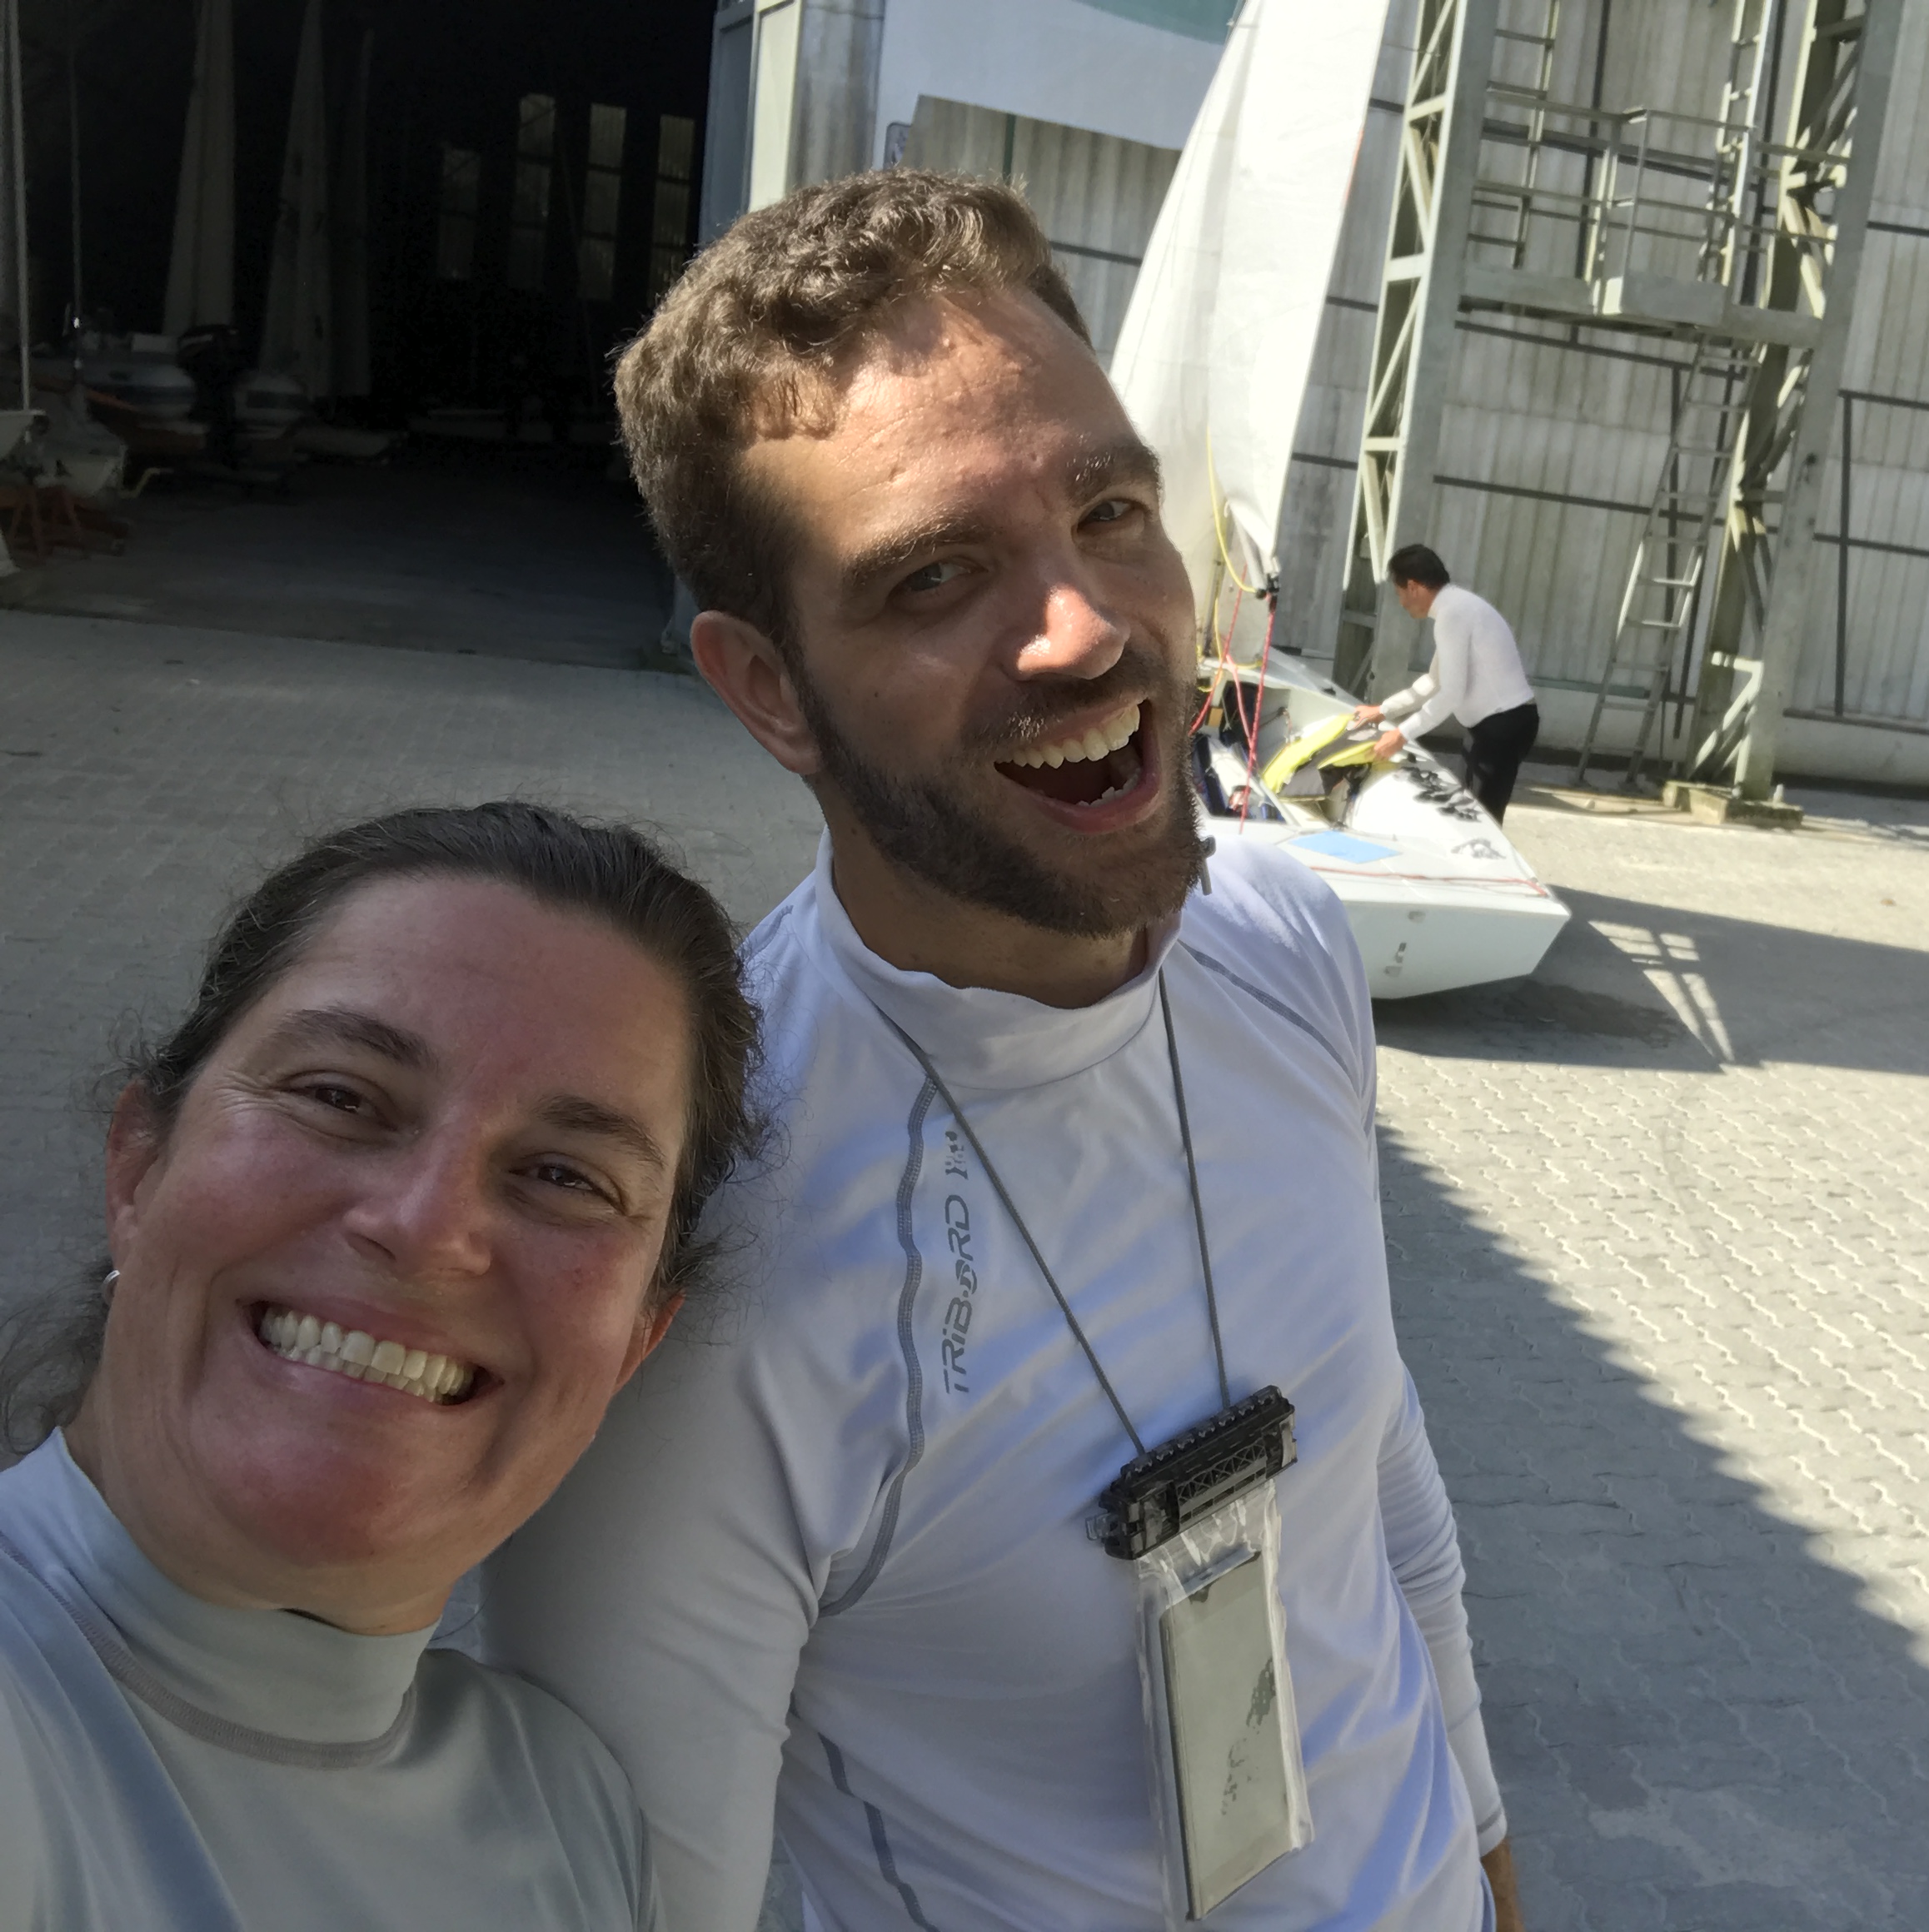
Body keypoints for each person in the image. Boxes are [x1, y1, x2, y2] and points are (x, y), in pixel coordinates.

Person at [478, 172, 1525, 1931]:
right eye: (935, 577)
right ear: (768, 688)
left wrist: (1486, 1854)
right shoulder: (705, 1257)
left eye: (1108, 509)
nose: (1088, 626)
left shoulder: (1281, 942)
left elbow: (1374, 1477)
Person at [0, 804, 763, 1930]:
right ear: (138, 1170)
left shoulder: (574, 1815)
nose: (427, 1227)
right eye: (340, 1097)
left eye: (566, 1176)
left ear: (635, 1342)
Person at [1352, 545, 1541, 821]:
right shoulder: (1457, 606)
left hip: (1502, 727)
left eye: (1399, 593)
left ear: (1413, 587)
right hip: (1500, 725)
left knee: (1479, 822)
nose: (1401, 602)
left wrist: (1401, 735)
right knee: (1467, 815)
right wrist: (1384, 710)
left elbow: (1451, 693)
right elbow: (1434, 681)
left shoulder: (1452, 614)